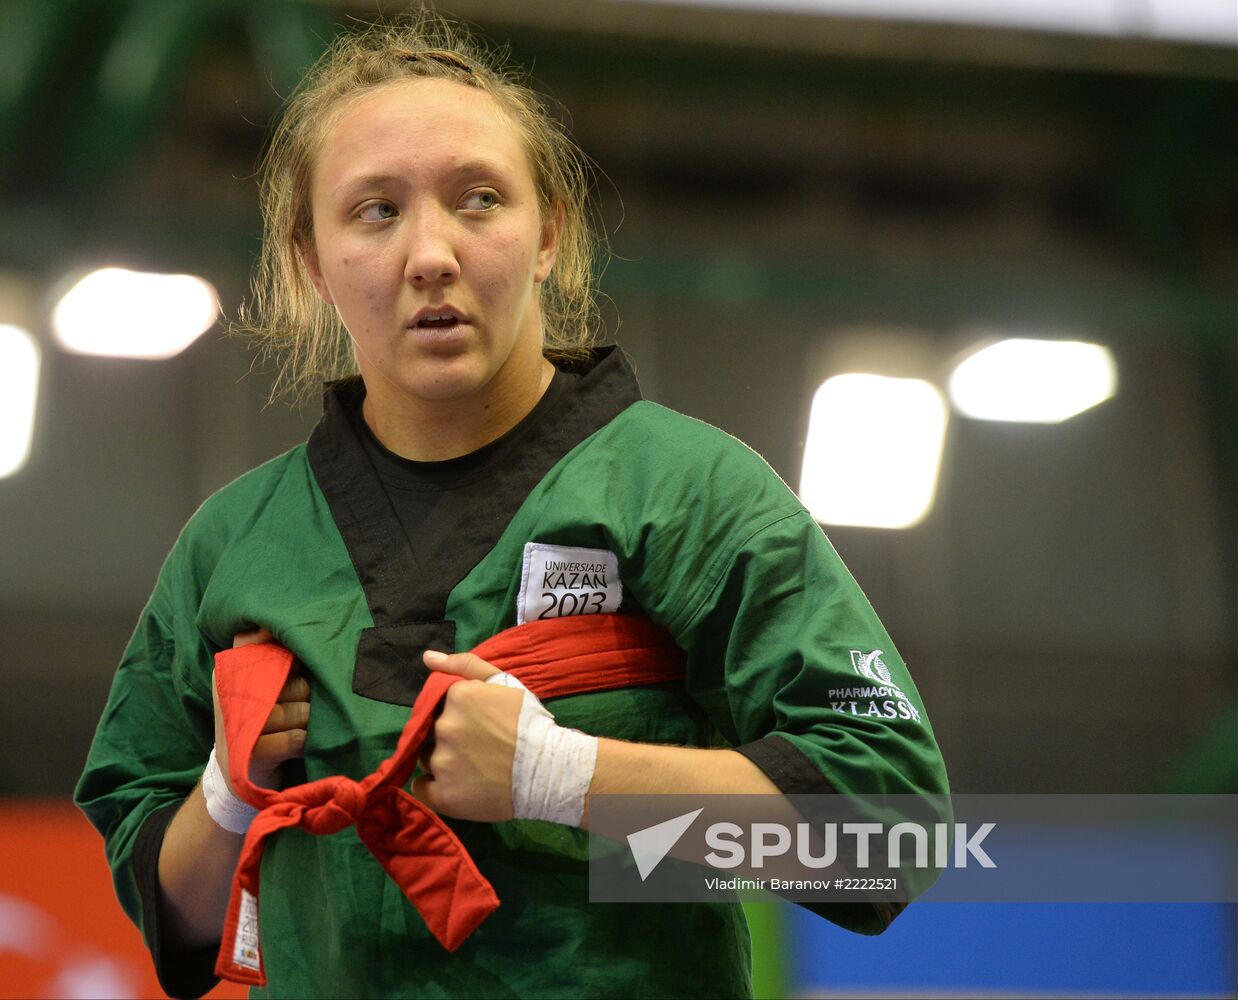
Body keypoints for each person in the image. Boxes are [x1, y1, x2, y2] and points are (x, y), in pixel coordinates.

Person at [75, 12, 949, 999]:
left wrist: (568, 778)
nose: (431, 254)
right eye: (375, 210)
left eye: (478, 199)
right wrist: (227, 796)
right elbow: (174, 918)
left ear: (549, 235)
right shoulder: (231, 548)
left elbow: (891, 835)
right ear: (311, 261)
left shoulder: (690, 493)